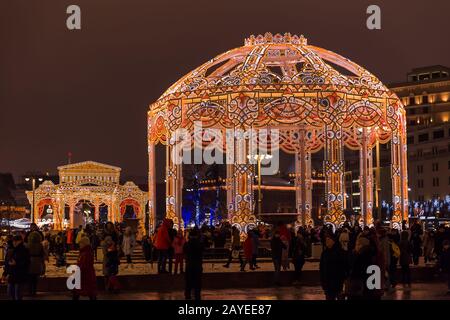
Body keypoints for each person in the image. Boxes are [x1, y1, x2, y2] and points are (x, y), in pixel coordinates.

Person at [319, 233, 348, 300]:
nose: (327, 241)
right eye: (326, 240)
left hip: (338, 282)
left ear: (333, 241)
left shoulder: (340, 252)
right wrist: (323, 281)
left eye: (328, 240)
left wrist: (343, 278)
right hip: (328, 283)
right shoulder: (325, 253)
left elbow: (344, 266)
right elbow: (322, 268)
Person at [2, 235, 30, 300]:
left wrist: (17, 263)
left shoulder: (24, 250)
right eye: (14, 241)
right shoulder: (10, 250)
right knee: (10, 293)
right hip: (12, 275)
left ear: (20, 241)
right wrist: (5, 273)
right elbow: (7, 263)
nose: (14, 242)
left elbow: (27, 263)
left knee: (18, 294)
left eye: (16, 241)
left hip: (20, 275)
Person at [184, 228, 204, 300]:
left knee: (188, 281)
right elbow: (202, 250)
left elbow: (184, 251)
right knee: (197, 282)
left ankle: (187, 294)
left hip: (189, 265)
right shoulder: (199, 244)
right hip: (197, 265)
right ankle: (197, 294)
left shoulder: (187, 244)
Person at [27, 231, 46, 296]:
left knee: (30, 278)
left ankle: (30, 291)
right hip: (37, 262)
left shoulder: (28, 245)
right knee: (35, 278)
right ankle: (34, 291)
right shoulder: (40, 245)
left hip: (29, 262)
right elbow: (42, 254)